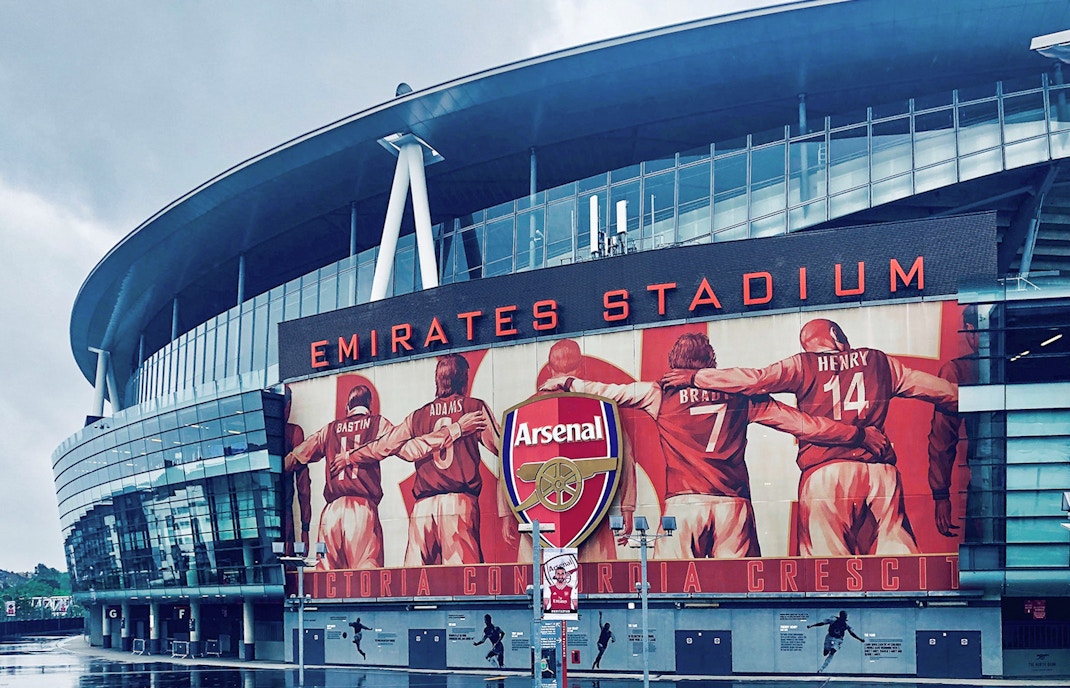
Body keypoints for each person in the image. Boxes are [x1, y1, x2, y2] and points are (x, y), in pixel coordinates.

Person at [543, 332, 888, 558]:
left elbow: (606, 391)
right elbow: (804, 425)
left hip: (682, 505)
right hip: (732, 505)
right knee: (736, 591)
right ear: (711, 365)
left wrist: (566, 381)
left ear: (673, 365)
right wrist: (857, 434)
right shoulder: (742, 397)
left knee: (668, 591)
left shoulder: (658, 393)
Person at [663, 318, 958, 557]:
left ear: (811, 345)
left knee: (826, 561)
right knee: (895, 545)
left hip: (825, 472)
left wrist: (695, 377)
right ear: (838, 338)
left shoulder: (803, 364)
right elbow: (945, 393)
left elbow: (755, 380)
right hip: (880, 470)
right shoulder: (880, 362)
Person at [288, 383, 484, 569]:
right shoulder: (377, 423)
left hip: (330, 512)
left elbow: (293, 459)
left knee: (326, 585)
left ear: (348, 407)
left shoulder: (329, 429)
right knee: (365, 579)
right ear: (369, 406)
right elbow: (410, 451)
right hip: (361, 509)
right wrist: (454, 430)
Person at [342, 354, 505, 565]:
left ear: (438, 382)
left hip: (422, 508)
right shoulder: (473, 408)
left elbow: (383, 445)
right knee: (463, 583)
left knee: (414, 583)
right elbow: (503, 449)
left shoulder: (418, 415)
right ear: (464, 379)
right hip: (458, 503)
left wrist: (350, 456)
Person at [927, 306, 979, 539]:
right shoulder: (958, 370)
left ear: (969, 330)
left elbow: (943, 438)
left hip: (985, 482)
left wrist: (941, 496)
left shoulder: (958, 370)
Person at [280, 386, 311, 556]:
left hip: (268, 513)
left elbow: (303, 484)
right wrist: (305, 529)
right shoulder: (293, 432)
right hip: (283, 513)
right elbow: (303, 486)